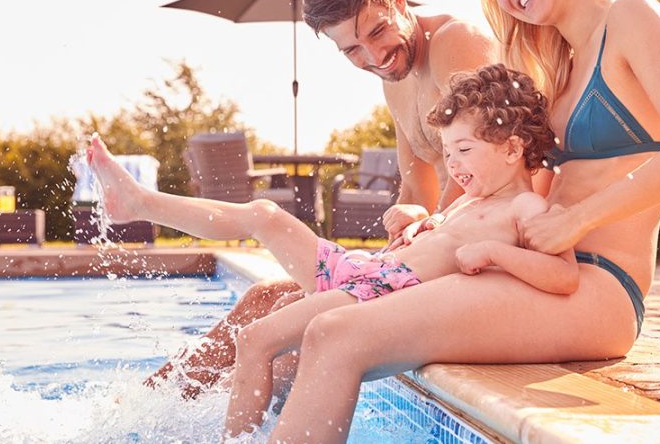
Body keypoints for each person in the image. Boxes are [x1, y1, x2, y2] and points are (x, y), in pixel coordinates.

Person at [267, 0, 660, 441]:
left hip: (598, 286)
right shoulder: (555, 62)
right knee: (315, 322)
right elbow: (511, 186)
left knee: (337, 335)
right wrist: (436, 227)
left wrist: (575, 221)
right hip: (530, 270)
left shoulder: (630, 17)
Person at [146, 0, 500, 395]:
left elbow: (482, 174)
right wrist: (406, 223)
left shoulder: (456, 42)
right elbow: (417, 183)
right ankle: (145, 407)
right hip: (440, 249)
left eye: (378, 30)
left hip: (481, 259)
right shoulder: (396, 78)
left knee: (301, 338)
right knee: (266, 298)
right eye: (352, 49)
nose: (375, 56)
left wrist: (404, 252)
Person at [220, 64, 574, 437]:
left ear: (513, 149)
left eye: (464, 149)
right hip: (372, 278)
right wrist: (419, 221)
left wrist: (494, 253)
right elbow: (435, 239)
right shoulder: (467, 203)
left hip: (380, 296)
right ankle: (242, 435)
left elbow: (563, 276)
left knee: (261, 338)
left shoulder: (527, 207)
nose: (453, 165)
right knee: (256, 336)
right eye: (448, 152)